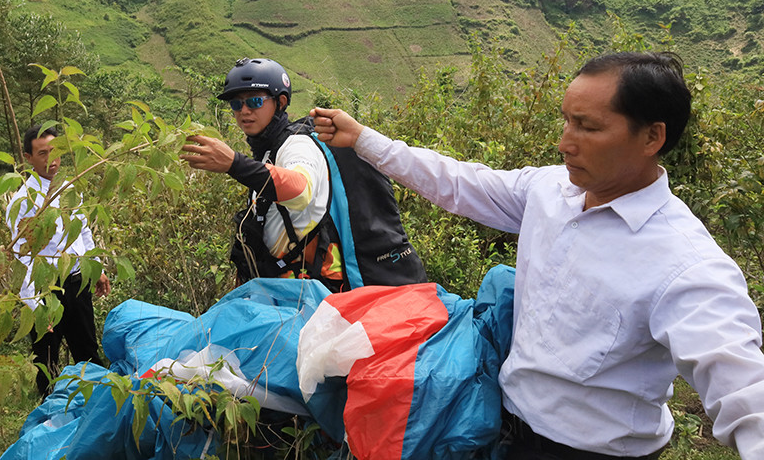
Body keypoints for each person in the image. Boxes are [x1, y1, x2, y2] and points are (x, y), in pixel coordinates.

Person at [311, 52, 764, 459]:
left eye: (587, 127)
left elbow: (742, 383)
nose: (566, 142)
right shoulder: (553, 191)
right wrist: (365, 140)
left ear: (652, 137)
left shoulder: (685, 263)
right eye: (567, 121)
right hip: (508, 422)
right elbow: (460, 183)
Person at [181, 57, 426, 292]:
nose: (244, 111)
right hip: (286, 285)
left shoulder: (297, 144)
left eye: (254, 101)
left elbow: (300, 190)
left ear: (281, 102)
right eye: (236, 104)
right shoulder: (268, 150)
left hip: (312, 289)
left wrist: (233, 163)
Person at [5, 124, 110, 398]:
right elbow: (23, 259)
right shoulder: (24, 202)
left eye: (55, 151)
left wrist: (95, 268)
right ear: (28, 158)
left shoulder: (70, 189)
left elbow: (83, 230)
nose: (50, 159)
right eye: (42, 153)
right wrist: (36, 306)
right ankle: (50, 417)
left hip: (77, 283)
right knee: (47, 361)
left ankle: (98, 406)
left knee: (87, 351)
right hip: (46, 290)